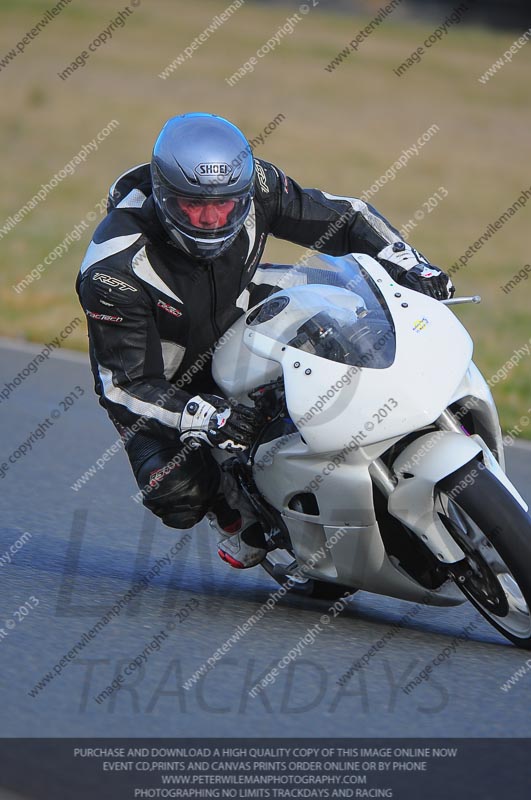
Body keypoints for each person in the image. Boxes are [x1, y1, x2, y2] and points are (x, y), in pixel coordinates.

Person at [76, 112, 454, 569]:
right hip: (172, 380)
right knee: (176, 491)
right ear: (163, 197)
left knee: (350, 314)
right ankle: (230, 514)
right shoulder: (112, 269)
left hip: (244, 309)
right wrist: (197, 414)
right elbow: (122, 385)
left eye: (226, 206)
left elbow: (345, 217)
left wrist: (409, 261)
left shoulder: (258, 185)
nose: (214, 220)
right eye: (195, 207)